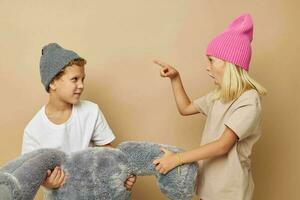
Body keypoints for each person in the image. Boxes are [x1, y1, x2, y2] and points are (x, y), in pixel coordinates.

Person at [153, 14, 267, 200]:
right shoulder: (219, 95)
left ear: (229, 63)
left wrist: (177, 159)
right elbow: (186, 108)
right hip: (209, 189)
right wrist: (175, 78)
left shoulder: (248, 101)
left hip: (230, 193)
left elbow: (223, 145)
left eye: (211, 60)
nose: (207, 67)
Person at [21, 43, 136, 199]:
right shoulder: (34, 130)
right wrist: (47, 183)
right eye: (74, 79)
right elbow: (29, 174)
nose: (81, 85)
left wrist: (123, 175)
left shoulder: (91, 111)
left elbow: (109, 153)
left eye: (83, 79)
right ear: (53, 82)